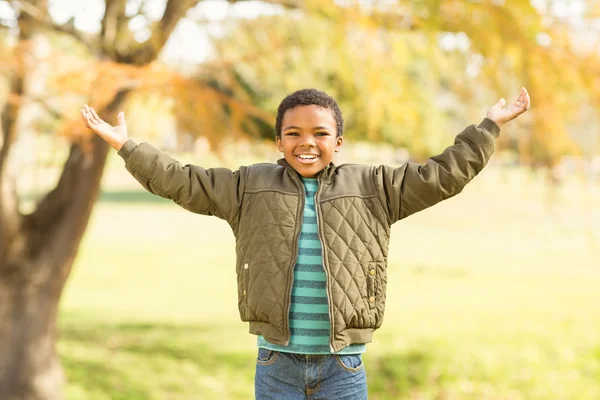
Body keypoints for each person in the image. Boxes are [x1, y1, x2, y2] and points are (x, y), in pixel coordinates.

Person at [81, 87, 530, 399]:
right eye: (293, 134)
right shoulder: (249, 186)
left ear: (338, 141)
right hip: (276, 365)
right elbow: (183, 181)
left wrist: (488, 125)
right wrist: (127, 147)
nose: (306, 143)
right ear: (278, 142)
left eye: (319, 134)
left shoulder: (374, 185)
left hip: (344, 367)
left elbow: (442, 176)